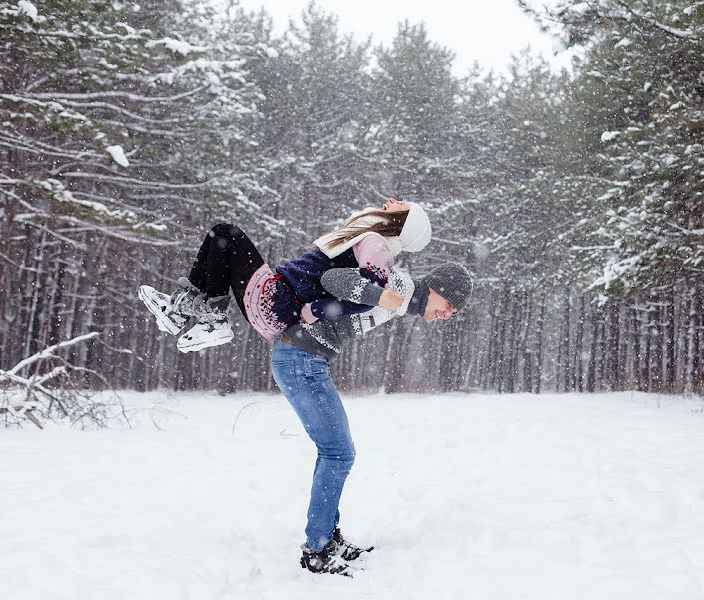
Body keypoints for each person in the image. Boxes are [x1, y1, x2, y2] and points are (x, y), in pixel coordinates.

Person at [272, 260, 473, 576]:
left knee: (335, 453)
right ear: (437, 288)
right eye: (449, 305)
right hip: (300, 358)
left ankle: (327, 538)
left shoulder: (402, 299)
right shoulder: (400, 287)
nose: (448, 314)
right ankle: (318, 550)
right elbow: (333, 277)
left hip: (305, 358)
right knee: (338, 454)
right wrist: (376, 293)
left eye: (454, 312)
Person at [138, 198, 431, 352]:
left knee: (226, 234)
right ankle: (182, 309)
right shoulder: (369, 239)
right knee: (220, 235)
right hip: (278, 299)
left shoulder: (377, 246)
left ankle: (213, 320)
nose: (392, 200)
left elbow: (370, 297)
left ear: (403, 222)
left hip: (279, 302)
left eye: (401, 205)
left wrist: (313, 310)